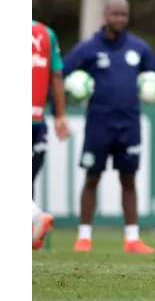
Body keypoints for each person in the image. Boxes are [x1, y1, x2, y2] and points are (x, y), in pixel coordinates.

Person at [62, 0, 155, 253]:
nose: (119, 18)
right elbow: (61, 73)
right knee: (92, 178)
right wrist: (60, 104)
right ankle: (84, 237)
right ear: (105, 16)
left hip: (129, 125)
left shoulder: (138, 49)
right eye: (115, 14)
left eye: (124, 14)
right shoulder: (89, 48)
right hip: (98, 124)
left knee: (128, 179)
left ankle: (132, 239)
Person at [32, 19, 70, 250]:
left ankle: (35, 217)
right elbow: (56, 77)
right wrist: (60, 115)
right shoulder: (46, 32)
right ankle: (32, 231)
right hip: (37, 121)